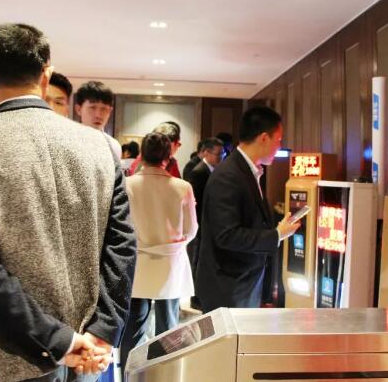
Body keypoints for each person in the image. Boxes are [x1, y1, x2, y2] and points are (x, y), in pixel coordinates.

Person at [0, 23, 136, 381]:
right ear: (46, 75)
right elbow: (121, 245)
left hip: (7, 353)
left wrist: (60, 342)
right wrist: (102, 331)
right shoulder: (103, 147)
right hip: (89, 350)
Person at [195, 107, 300, 312]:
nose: (279, 147)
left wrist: (276, 229)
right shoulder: (229, 175)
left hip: (243, 282)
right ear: (264, 138)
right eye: (278, 140)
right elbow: (227, 235)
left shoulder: (247, 171)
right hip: (228, 286)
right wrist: (276, 235)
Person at [119, 132, 197, 374]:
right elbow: (191, 230)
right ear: (168, 156)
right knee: (168, 329)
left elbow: (120, 226)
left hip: (137, 263)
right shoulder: (182, 187)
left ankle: (130, 376)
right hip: (170, 265)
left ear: (142, 155)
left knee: (133, 329)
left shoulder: (127, 184)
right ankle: (166, 376)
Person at [186, 137, 224, 310]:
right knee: (197, 262)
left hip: (207, 225)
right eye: (218, 154)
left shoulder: (212, 170)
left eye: (223, 154)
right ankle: (195, 298)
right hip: (200, 224)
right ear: (207, 153)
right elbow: (197, 203)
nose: (221, 158)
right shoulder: (199, 172)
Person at [74, 81, 122, 158]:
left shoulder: (114, 146)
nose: (98, 115)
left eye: (104, 109)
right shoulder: (68, 140)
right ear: (79, 109)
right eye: (92, 108)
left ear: (110, 111)